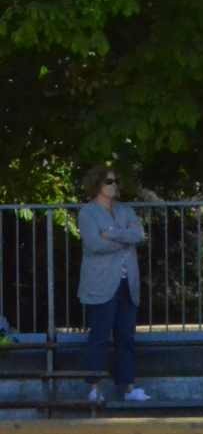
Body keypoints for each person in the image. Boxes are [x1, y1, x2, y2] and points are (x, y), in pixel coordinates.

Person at [77, 166, 150, 403]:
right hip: (100, 284)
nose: (114, 185)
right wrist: (123, 240)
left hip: (127, 283)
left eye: (116, 181)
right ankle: (94, 388)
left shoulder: (125, 210)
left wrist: (112, 233)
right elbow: (94, 244)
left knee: (126, 337)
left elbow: (139, 234)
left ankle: (128, 387)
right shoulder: (87, 213)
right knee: (99, 336)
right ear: (98, 184)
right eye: (110, 181)